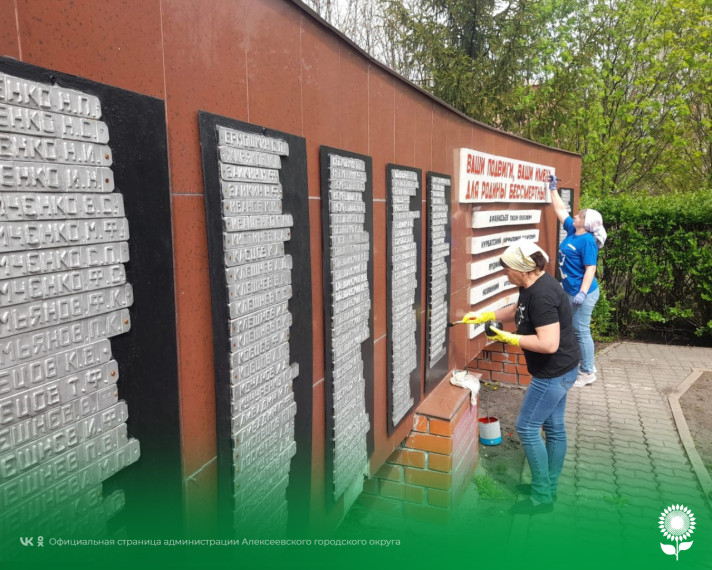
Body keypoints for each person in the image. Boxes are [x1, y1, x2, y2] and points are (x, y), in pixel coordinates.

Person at [462, 240, 580, 515]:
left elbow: (548, 344)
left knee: (526, 427)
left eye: (508, 270)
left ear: (523, 269)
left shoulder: (543, 295)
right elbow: (518, 311)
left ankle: (541, 498)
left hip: (553, 372)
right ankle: (548, 488)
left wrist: (510, 338)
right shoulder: (532, 286)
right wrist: (485, 315)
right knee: (554, 428)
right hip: (562, 369)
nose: (506, 274)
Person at [548, 174, 606, 387]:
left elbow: (591, 268)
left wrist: (581, 293)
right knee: (575, 329)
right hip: (571, 290)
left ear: (587, 223)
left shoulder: (587, 241)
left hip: (584, 292)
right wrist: (552, 188)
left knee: (581, 331)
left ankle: (588, 372)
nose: (576, 215)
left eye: (580, 216)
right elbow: (560, 211)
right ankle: (587, 364)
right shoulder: (573, 230)